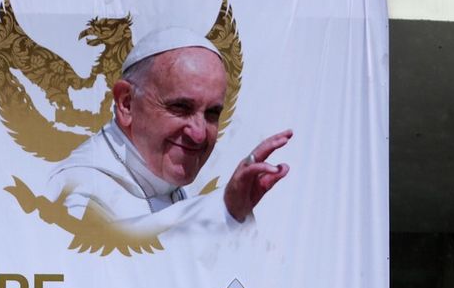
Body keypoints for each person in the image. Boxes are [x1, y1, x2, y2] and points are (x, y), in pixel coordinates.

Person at [48, 27, 292, 243]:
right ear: (127, 104)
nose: (198, 135)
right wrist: (222, 210)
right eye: (180, 108)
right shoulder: (75, 188)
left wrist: (237, 219)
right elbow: (108, 259)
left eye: (212, 114)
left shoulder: (162, 181)